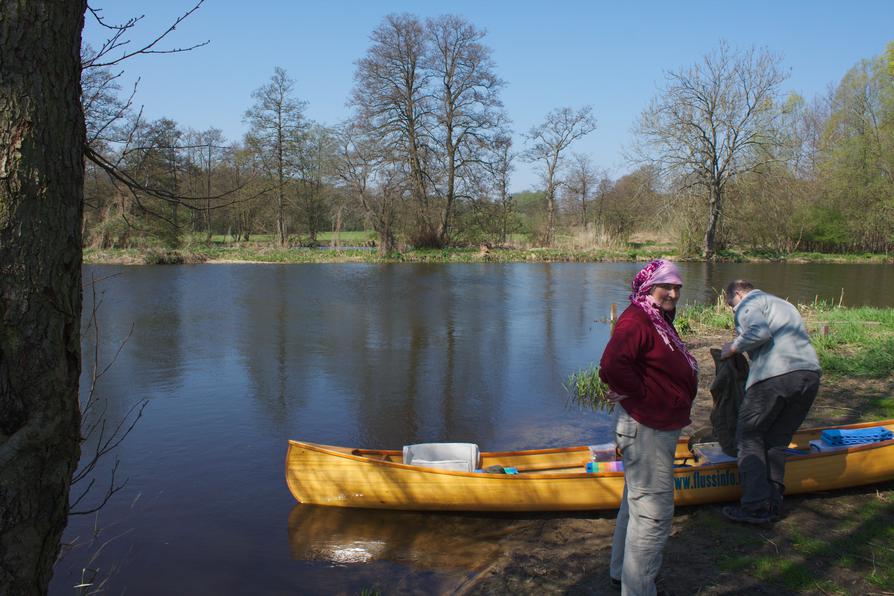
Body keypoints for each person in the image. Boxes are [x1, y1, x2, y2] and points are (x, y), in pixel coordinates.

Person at [600, 259, 698, 596]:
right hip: (646, 429)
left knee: (635, 505)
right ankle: (638, 590)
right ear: (648, 287)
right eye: (665, 286)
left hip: (652, 427)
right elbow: (611, 365)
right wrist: (643, 394)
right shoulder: (637, 320)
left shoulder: (655, 318)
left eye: (677, 287)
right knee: (653, 516)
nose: (673, 293)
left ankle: (621, 577)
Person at [720, 280, 821, 524]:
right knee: (776, 440)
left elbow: (758, 332)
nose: (734, 311)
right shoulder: (784, 305)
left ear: (738, 293)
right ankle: (772, 503)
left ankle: (754, 506)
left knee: (748, 435)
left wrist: (731, 348)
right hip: (809, 375)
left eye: (731, 305)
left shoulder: (750, 302)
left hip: (775, 376)